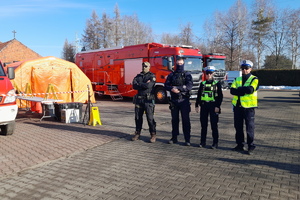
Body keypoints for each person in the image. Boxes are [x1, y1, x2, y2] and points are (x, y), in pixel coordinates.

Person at [230, 60, 259, 155]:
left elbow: (250, 89)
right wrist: (242, 91)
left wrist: (239, 90)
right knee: (238, 127)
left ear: (250, 69)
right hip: (237, 107)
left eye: (246, 68)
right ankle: (240, 145)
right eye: (242, 68)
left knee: (249, 128)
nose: (244, 70)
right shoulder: (237, 79)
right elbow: (232, 91)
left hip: (248, 108)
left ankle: (251, 146)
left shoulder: (254, 79)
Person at [164, 57, 193, 146]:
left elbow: (189, 86)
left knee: (186, 120)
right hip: (174, 100)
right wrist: (172, 89)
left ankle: (187, 139)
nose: (179, 65)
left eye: (181, 64)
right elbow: (166, 85)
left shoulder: (187, 74)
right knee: (175, 120)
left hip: (184, 100)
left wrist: (178, 89)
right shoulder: (171, 75)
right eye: (178, 63)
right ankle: (174, 137)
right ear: (175, 63)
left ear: (183, 64)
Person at [195, 66, 223, 149]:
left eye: (210, 73)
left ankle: (215, 143)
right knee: (203, 125)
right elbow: (199, 95)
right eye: (207, 73)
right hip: (204, 106)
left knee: (214, 125)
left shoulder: (217, 84)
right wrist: (197, 105)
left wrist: (218, 106)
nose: (209, 75)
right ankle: (202, 142)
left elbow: (220, 96)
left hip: (213, 106)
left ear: (213, 74)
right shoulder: (202, 84)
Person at [132, 62, 157, 143]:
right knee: (138, 118)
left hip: (148, 100)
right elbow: (134, 86)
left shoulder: (152, 76)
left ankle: (153, 134)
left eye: (146, 66)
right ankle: (137, 133)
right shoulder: (138, 76)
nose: (144, 67)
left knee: (150, 118)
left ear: (149, 67)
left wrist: (140, 84)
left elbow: (149, 86)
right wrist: (143, 84)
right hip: (139, 100)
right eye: (143, 66)